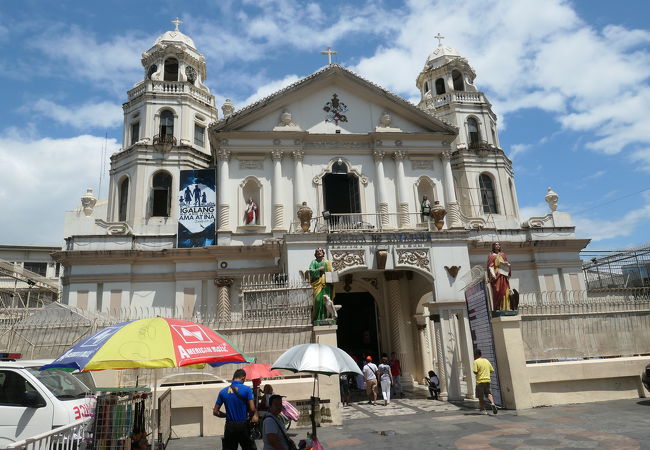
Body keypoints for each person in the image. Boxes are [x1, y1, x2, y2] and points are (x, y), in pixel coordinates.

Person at [213, 369, 258, 450]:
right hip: (243, 425)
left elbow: (215, 412)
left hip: (229, 426)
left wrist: (226, 415)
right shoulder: (247, 389)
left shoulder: (222, 392)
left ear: (233, 378)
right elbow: (252, 408)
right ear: (243, 378)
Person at [307, 248, 334, 323]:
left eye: (320, 251)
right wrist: (319, 269)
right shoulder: (314, 262)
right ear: (315, 254)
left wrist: (332, 281)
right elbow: (311, 271)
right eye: (317, 251)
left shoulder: (326, 262)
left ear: (323, 253)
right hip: (317, 284)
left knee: (326, 301)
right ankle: (317, 318)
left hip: (326, 284)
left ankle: (326, 317)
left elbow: (330, 272)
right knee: (318, 300)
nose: (319, 252)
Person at [487, 241, 512, 311]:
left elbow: (507, 263)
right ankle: (497, 307)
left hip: (503, 275)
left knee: (506, 291)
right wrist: (493, 274)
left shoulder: (503, 255)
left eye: (498, 245)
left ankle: (506, 308)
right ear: (493, 246)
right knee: (497, 290)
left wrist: (508, 265)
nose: (497, 246)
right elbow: (490, 266)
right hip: (496, 275)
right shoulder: (491, 255)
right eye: (495, 245)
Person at [472, 349, 497, 415]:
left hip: (480, 381)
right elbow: (491, 370)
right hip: (487, 381)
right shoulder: (486, 361)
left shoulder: (476, 362)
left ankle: (483, 410)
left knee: (481, 397)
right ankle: (492, 403)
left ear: (476, 355)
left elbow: (475, 371)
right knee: (488, 393)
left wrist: (479, 372)